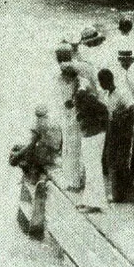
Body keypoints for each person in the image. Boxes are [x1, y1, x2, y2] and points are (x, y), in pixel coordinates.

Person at [98, 69, 134, 203]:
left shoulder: (122, 93)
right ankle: (119, 193)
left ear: (108, 81)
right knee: (110, 160)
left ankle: (126, 194)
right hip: (111, 130)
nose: (101, 85)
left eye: (102, 82)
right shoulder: (107, 94)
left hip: (122, 132)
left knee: (121, 162)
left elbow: (133, 109)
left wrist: (121, 116)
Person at [74, 77, 109, 213]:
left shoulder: (85, 98)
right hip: (91, 135)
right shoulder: (85, 96)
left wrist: (99, 126)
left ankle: (95, 203)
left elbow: (103, 110)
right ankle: (88, 199)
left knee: (93, 169)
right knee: (90, 169)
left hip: (93, 136)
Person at [8, 105, 62, 183]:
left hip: (45, 157)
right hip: (54, 154)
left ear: (37, 114)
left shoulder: (38, 124)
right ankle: (31, 173)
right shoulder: (54, 121)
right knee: (23, 149)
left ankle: (32, 176)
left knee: (18, 150)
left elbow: (31, 144)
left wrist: (17, 154)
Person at [56, 50, 83, 191]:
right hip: (71, 116)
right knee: (72, 149)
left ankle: (74, 182)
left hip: (71, 116)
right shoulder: (74, 78)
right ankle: (74, 180)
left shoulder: (64, 79)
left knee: (72, 149)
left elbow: (67, 102)